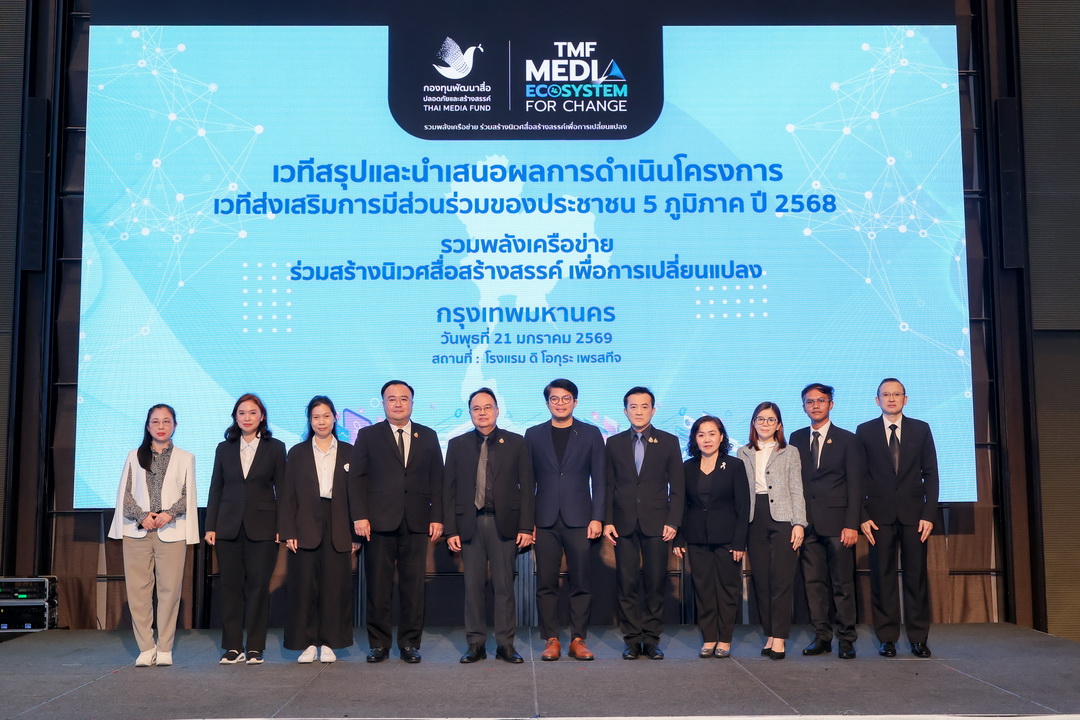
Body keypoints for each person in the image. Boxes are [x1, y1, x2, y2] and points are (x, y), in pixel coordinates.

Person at [350, 380, 444, 664]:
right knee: (378, 587)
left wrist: (437, 517)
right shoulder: (368, 435)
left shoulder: (427, 435)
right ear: (383, 404)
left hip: (416, 520)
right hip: (378, 522)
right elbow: (356, 478)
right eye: (392, 399)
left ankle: (410, 643)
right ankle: (378, 644)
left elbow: (437, 479)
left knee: (413, 587)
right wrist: (359, 515)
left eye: (404, 399)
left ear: (412, 403)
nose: (398, 404)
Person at [444, 388, 535, 664]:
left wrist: (526, 527)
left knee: (504, 587)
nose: (482, 413)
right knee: (473, 587)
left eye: (487, 407)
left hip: (504, 524)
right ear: (470, 412)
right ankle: (475, 644)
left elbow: (527, 487)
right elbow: (448, 490)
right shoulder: (457, 444)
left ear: (497, 410)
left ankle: (506, 644)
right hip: (469, 524)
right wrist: (451, 530)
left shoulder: (516, 443)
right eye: (476, 408)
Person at [108, 404, 199, 667]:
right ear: (148, 426)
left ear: (175, 426)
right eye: (155, 421)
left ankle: (165, 646)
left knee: (169, 590)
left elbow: (188, 494)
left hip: (171, 530)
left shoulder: (185, 457)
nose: (161, 426)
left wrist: (169, 514)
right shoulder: (134, 455)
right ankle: (146, 647)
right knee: (138, 591)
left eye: (166, 421)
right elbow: (124, 493)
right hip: (138, 530)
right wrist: (141, 515)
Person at [856, 378, 939, 659]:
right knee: (883, 578)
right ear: (877, 400)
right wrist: (862, 515)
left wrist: (929, 514)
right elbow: (858, 477)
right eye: (885, 395)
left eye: (896, 394)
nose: (891, 399)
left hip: (915, 516)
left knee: (916, 578)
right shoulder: (864, 431)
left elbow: (931, 473)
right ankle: (887, 638)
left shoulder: (921, 429)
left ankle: (918, 639)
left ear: (906, 398)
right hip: (878, 517)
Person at [525, 379, 605, 661]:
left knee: (581, 582)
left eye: (566, 398)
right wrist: (528, 522)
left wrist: (598, 517)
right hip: (544, 520)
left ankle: (578, 639)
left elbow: (601, 479)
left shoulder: (591, 433)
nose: (560, 403)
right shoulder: (533, 434)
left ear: (575, 402)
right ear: (547, 403)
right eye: (555, 399)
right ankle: (552, 639)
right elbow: (527, 482)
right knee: (546, 583)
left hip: (580, 519)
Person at [205, 393, 287, 665]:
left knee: (258, 588)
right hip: (227, 527)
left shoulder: (276, 447)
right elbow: (216, 488)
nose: (247, 417)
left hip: (264, 528)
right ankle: (232, 647)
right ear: (235, 417)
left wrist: (283, 526)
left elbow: (283, 490)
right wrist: (211, 525)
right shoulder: (224, 448)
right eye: (242, 413)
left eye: (252, 413)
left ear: (262, 416)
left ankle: (254, 647)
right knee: (230, 588)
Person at [603, 386, 684, 660]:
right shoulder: (613, 443)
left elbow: (678, 487)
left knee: (655, 584)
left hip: (658, 524)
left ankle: (650, 639)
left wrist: (673, 521)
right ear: (625, 411)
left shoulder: (669, 441)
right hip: (623, 523)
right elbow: (608, 484)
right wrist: (607, 520)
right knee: (626, 585)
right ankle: (631, 640)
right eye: (633, 407)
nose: (639, 412)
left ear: (653, 410)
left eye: (644, 406)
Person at [790, 383, 865, 659]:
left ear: (831, 404)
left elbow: (855, 485)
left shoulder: (848, 439)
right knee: (813, 583)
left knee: (842, 584)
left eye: (821, 400)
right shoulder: (796, 438)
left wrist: (852, 523)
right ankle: (822, 636)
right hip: (807, 524)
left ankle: (846, 638)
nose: (815, 406)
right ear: (803, 407)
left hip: (838, 524)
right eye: (810, 402)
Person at [279, 396, 356, 664]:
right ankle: (307, 643)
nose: (321, 422)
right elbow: (288, 495)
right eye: (315, 417)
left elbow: (357, 495)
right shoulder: (297, 452)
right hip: (305, 524)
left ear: (335, 417)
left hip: (339, 523)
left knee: (335, 587)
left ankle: (331, 642)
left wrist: (355, 534)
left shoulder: (349, 451)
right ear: (309, 421)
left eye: (326, 416)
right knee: (303, 588)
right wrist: (289, 531)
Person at [674, 416, 749, 659]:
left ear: (721, 437)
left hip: (728, 540)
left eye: (712, 433)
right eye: (701, 434)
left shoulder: (735, 465)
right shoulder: (687, 467)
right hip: (696, 538)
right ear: (694, 439)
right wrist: (679, 538)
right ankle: (709, 637)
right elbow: (682, 505)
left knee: (727, 589)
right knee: (703, 589)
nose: (707, 439)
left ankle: (724, 639)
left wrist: (739, 542)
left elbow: (743, 506)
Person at [736, 402, 806, 660]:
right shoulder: (743, 452)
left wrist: (799, 523)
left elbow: (796, 488)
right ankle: (770, 633)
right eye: (761, 419)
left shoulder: (790, 451)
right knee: (762, 581)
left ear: (778, 425)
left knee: (782, 580)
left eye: (771, 419)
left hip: (783, 519)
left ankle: (780, 638)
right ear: (753, 423)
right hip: (755, 519)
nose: (765, 423)